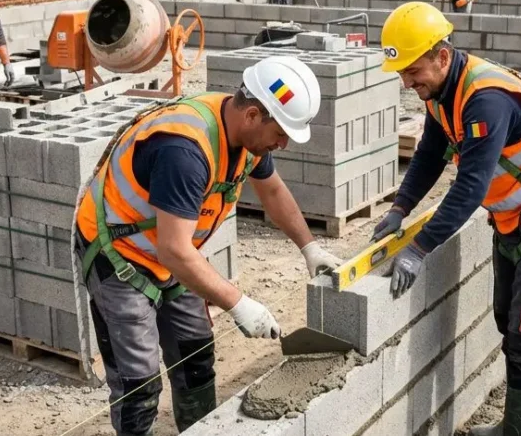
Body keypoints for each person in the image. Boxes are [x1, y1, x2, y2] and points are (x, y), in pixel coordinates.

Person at [74, 56, 342, 436]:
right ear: (252, 115)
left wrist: (309, 248)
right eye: (281, 132)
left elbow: (274, 192)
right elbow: (174, 250)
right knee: (140, 382)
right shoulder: (184, 151)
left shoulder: (247, 138)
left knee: (195, 353)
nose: (282, 143)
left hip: (170, 251)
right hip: (120, 255)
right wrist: (238, 303)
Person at [372, 2, 521, 436]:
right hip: (515, 218)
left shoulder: (485, 101)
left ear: (441, 55)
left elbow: (469, 188)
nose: (407, 84)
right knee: (507, 323)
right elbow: (430, 154)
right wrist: (401, 206)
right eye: (401, 75)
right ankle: (515, 425)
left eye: (413, 71)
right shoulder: (441, 93)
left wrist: (418, 249)